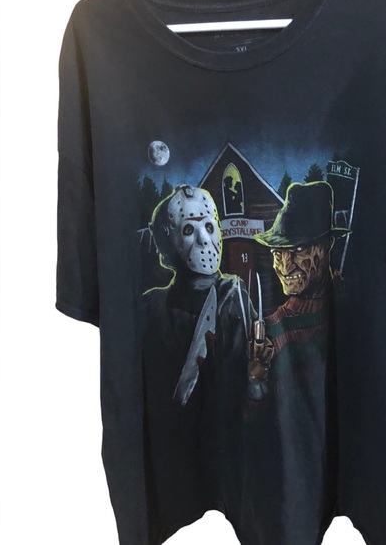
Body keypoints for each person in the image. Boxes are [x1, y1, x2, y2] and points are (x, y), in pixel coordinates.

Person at [141, 184, 272, 526]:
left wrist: (257, 376)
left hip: (229, 458)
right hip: (173, 464)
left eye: (209, 227)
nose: (203, 240)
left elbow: (253, 387)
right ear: (167, 245)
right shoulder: (150, 307)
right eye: (188, 230)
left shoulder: (234, 297)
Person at [250, 181, 349, 544]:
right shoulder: (274, 329)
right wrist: (255, 380)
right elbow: (251, 426)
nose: (285, 264)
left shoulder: (351, 300)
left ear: (327, 246)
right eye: (279, 252)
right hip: (287, 491)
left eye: (299, 249)